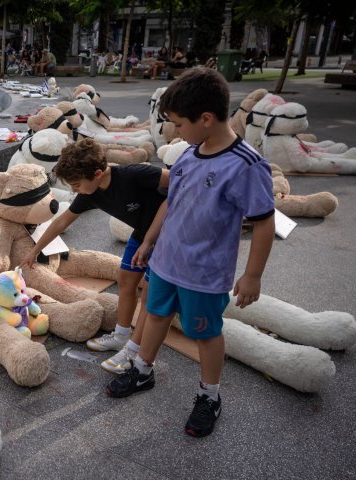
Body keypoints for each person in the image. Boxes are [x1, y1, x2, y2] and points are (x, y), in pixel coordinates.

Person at [105, 68, 275, 438]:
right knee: (155, 314)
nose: (175, 131)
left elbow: (264, 222)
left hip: (204, 273)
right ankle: (143, 371)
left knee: (206, 332)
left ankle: (209, 395)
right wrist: (149, 241)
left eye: (179, 124)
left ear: (206, 119)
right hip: (166, 263)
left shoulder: (245, 165)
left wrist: (253, 275)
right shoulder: (188, 155)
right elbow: (170, 203)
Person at [21, 138, 169, 374]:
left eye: (76, 184)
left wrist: (153, 239)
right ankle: (121, 335)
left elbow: (179, 181)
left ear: (98, 173)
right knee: (126, 278)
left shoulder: (133, 174)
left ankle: (134, 349)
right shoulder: (90, 192)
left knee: (151, 293)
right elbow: (61, 221)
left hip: (170, 236)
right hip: (143, 234)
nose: (73, 190)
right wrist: (34, 251)